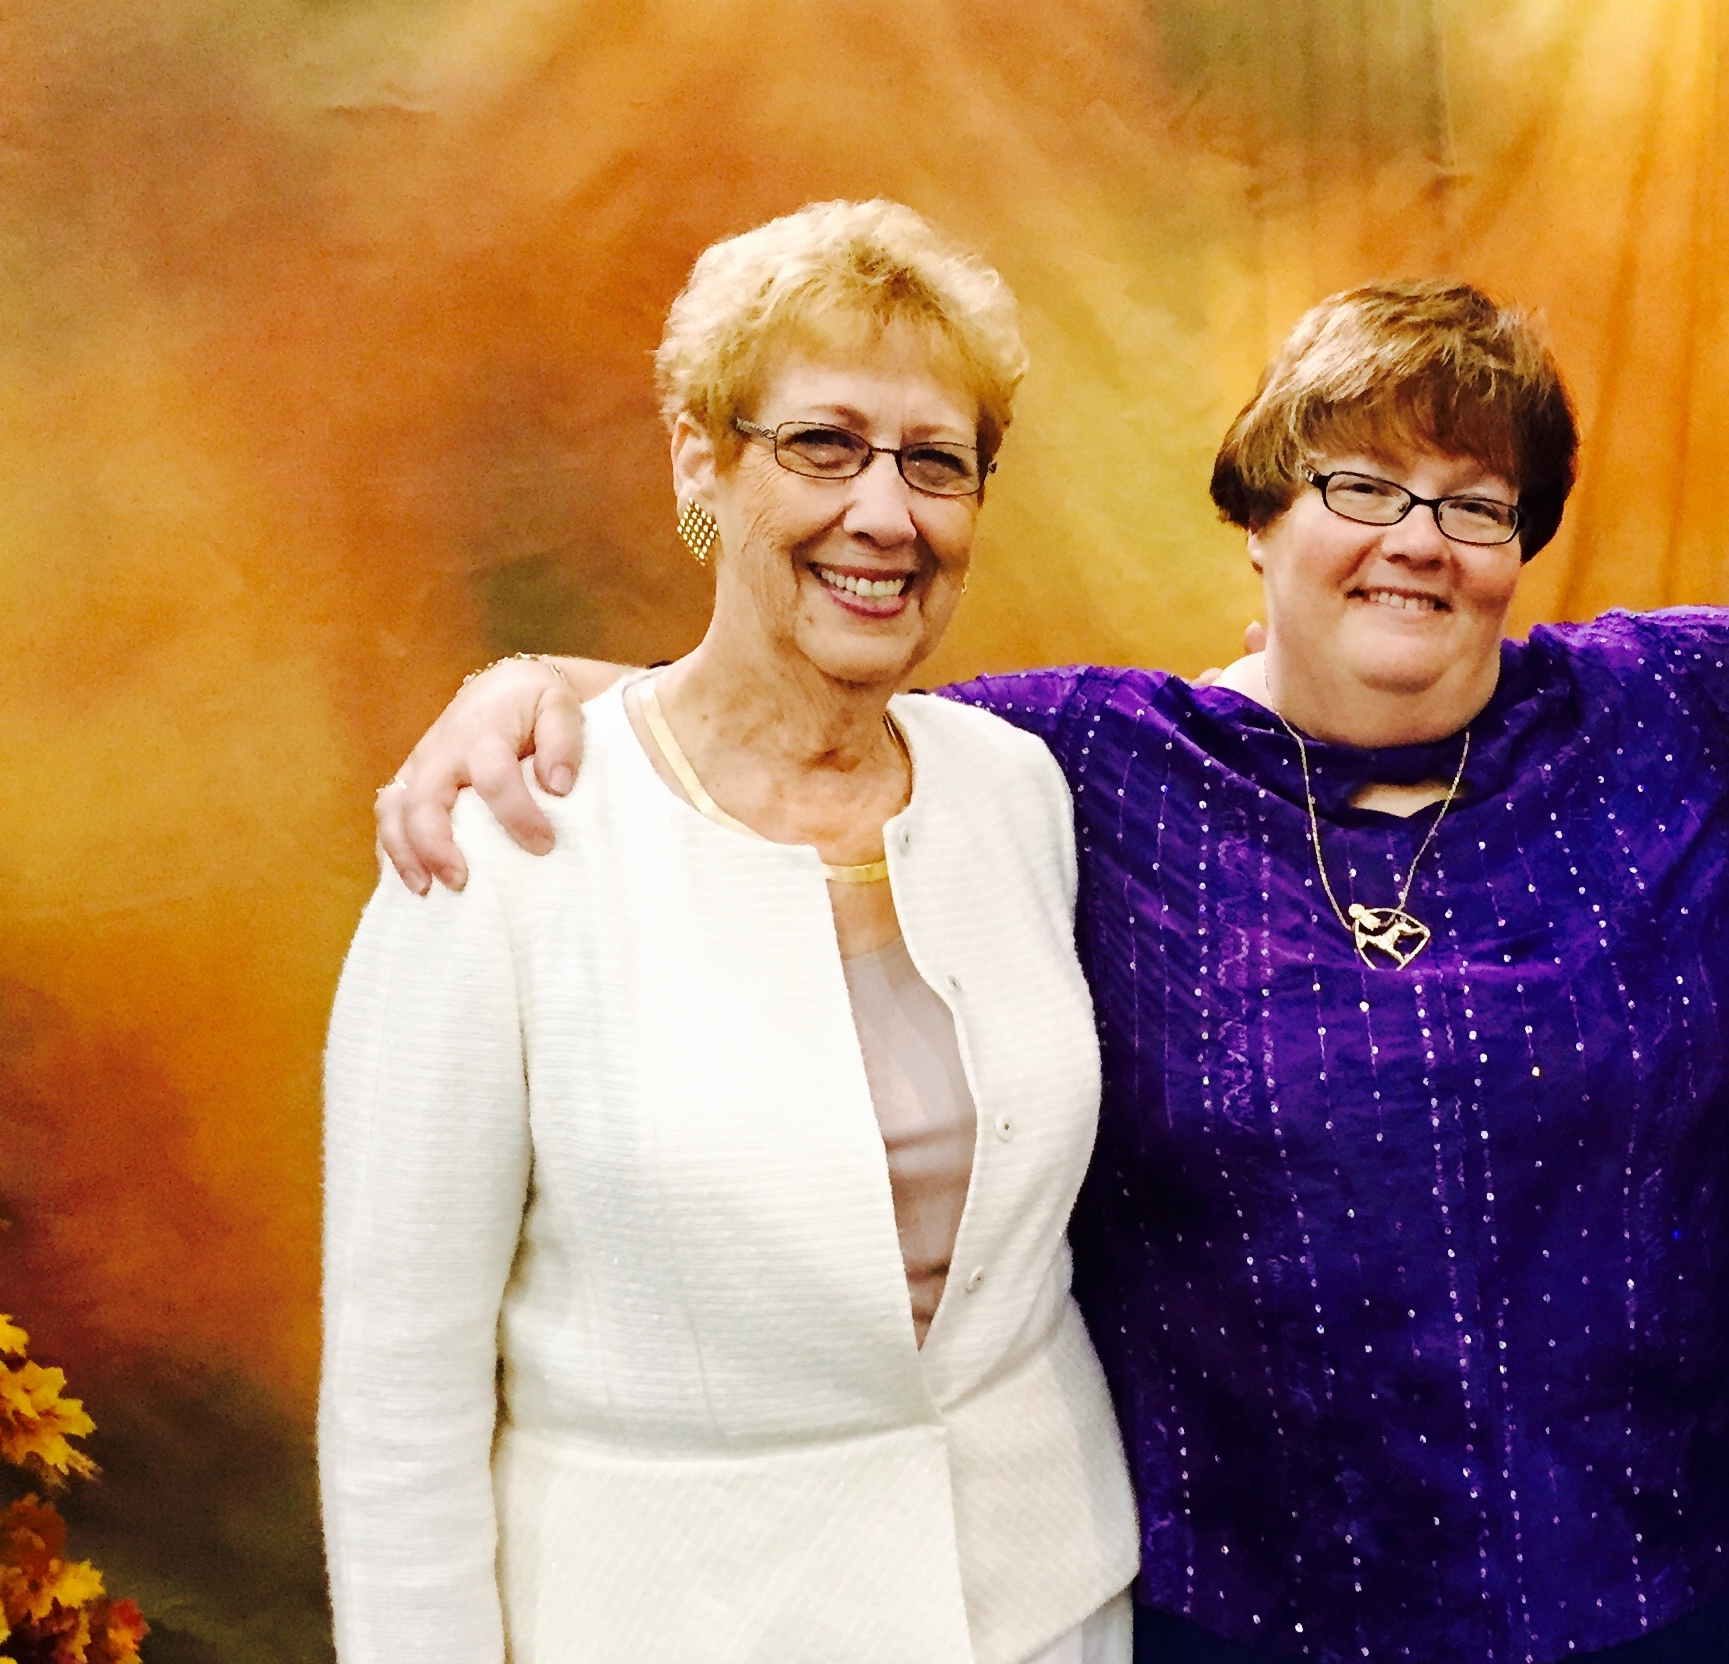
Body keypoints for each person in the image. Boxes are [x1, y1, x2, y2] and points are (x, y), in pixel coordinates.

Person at [374, 278, 1729, 1664]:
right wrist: (540, 684)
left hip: (1676, 1595)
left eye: (1474, 504)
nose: (1418, 538)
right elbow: (799, 715)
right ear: (1258, 517)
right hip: (1254, 1608)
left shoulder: (1664, 710)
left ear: (1523, 547)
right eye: (1357, 485)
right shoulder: (1083, 762)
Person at [318, 200, 1137, 1664]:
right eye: (822, 445)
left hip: (1044, 1618)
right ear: (700, 458)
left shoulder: (1017, 790)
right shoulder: (502, 838)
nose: (884, 514)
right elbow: (397, 1401)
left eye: (936, 461)